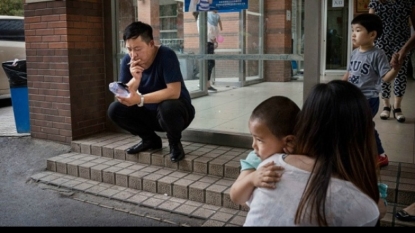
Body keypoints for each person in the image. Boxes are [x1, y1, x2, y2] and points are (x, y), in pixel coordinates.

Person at [243, 80, 384, 226]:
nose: (254, 146)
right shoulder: (365, 207)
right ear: (363, 132)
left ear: (305, 123)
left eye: (259, 140)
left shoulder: (272, 165)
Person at [107, 21, 195, 163]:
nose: (133, 55)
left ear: (151, 44)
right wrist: (135, 80)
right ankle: (150, 140)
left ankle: (175, 143)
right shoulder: (127, 61)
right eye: (129, 49)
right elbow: (124, 96)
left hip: (178, 113)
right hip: (150, 114)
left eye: (138, 49)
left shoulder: (166, 55)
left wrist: (140, 100)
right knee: (115, 109)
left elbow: (174, 92)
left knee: (168, 106)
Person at [342, 13, 401, 168]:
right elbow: (349, 74)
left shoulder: (377, 54)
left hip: (368, 99)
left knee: (365, 127)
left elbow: (386, 78)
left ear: (372, 34)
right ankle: (356, 152)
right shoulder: (354, 53)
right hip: (353, 98)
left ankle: (379, 155)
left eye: (358, 30)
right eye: (352, 30)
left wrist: (395, 69)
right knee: (354, 126)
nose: (353, 34)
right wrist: (339, 87)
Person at [229, 96, 300, 205]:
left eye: (259, 139)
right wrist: (252, 178)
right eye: (252, 137)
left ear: (289, 140)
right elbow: (235, 196)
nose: (253, 145)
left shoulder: (302, 156)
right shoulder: (255, 159)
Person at [369, 0, 415, 123]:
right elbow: (369, 24)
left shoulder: (409, 1)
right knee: (383, 73)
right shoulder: (375, 1)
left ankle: (397, 107)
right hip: (381, 43)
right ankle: (386, 105)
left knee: (400, 73)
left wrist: (404, 49)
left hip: (402, 44)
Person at [195, 10, 222, 92]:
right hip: (207, 42)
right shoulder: (206, 15)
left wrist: (215, 40)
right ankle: (203, 83)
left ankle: (206, 83)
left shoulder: (212, 15)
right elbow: (209, 29)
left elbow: (214, 29)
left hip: (208, 42)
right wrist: (214, 39)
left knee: (209, 62)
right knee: (209, 62)